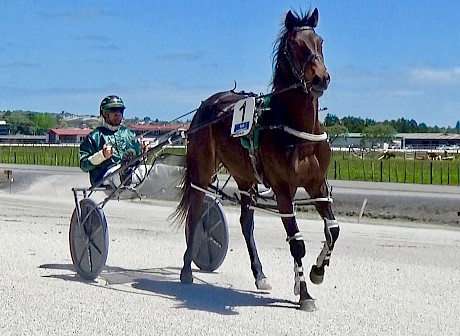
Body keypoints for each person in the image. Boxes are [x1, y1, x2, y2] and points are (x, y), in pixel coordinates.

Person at [79, 95, 149, 188]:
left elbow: (139, 159)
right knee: (116, 173)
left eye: (120, 110)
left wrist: (145, 152)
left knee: (150, 169)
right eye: (113, 110)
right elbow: (84, 165)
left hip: (131, 171)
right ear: (104, 113)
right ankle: (125, 174)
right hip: (104, 176)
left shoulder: (129, 134)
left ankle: (173, 176)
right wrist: (102, 155)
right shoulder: (95, 137)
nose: (118, 113)